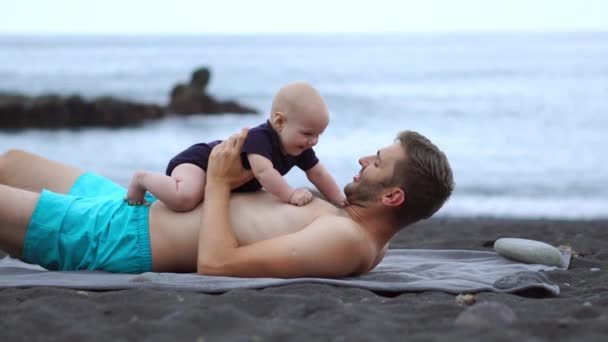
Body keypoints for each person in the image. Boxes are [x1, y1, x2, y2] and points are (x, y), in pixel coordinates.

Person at [0, 128, 454, 278]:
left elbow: (216, 264)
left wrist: (218, 183)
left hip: (117, 236)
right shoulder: (362, 230)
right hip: (136, 204)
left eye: (377, 162)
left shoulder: (347, 240)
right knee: (13, 162)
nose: (362, 159)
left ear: (393, 196)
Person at [126, 82, 346, 211]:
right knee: (186, 198)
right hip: (199, 163)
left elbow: (319, 174)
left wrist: (340, 200)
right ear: (280, 122)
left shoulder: (299, 148)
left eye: (319, 135)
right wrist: (290, 195)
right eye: (308, 133)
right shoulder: (260, 138)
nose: (313, 141)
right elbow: (264, 173)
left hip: (221, 177)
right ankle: (142, 178)